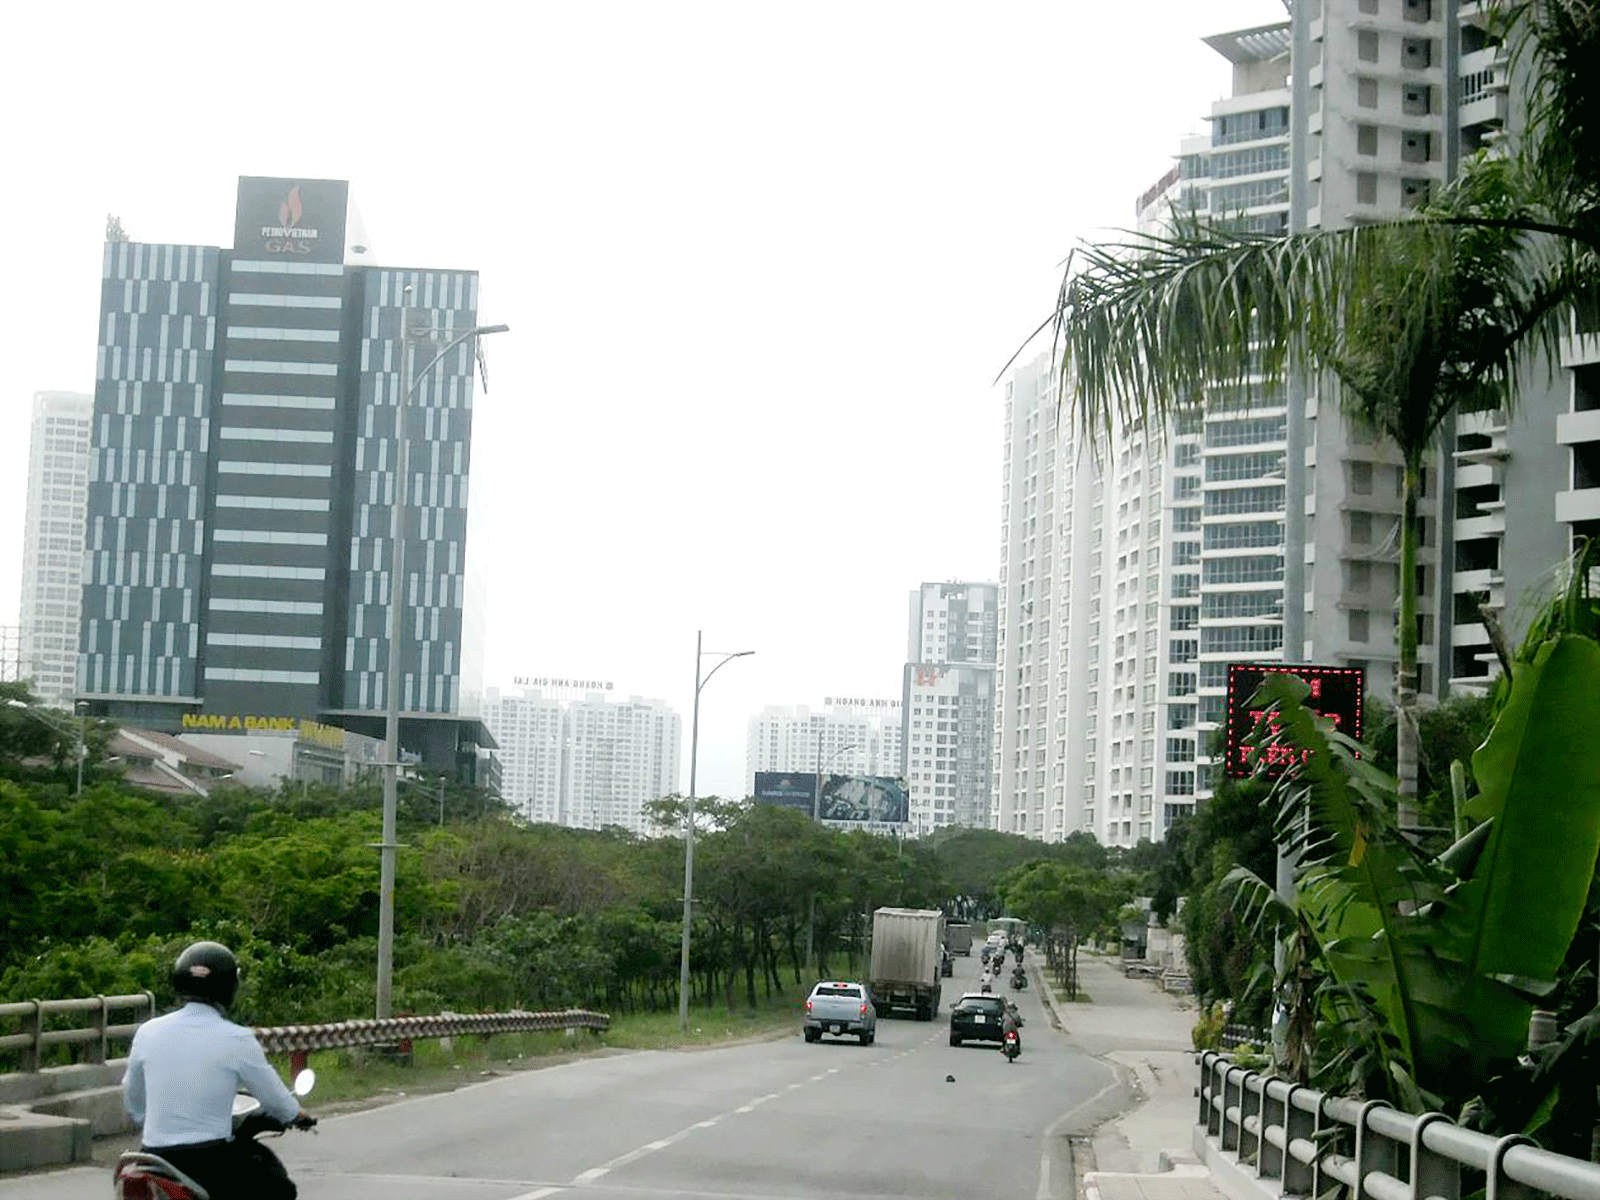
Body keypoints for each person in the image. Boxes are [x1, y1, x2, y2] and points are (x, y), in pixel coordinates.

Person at [123, 941, 309, 1200]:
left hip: (152, 1156)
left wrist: (152, 1124)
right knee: (279, 1187)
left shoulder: (148, 1032)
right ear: (229, 986)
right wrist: (297, 1115)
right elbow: (275, 1100)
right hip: (208, 1162)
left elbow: (132, 1098)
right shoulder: (237, 1039)